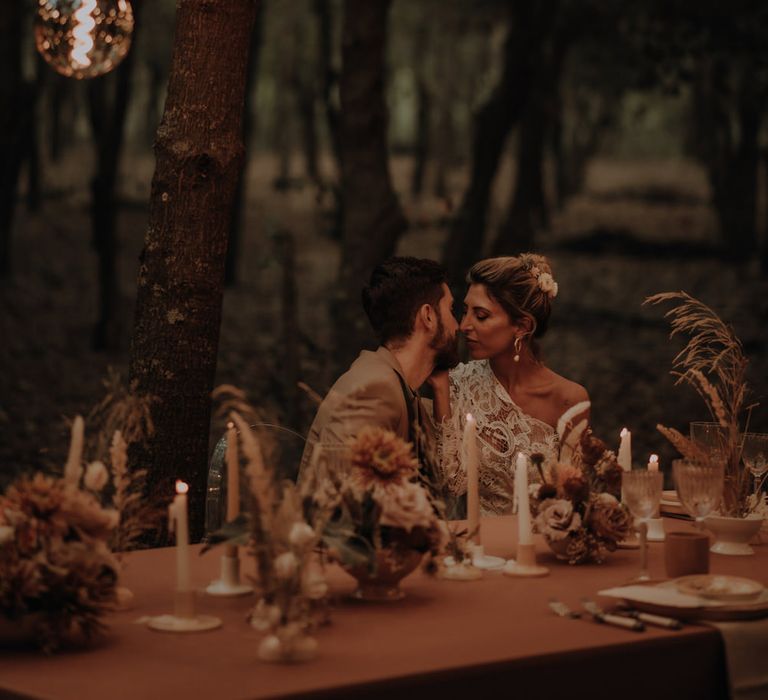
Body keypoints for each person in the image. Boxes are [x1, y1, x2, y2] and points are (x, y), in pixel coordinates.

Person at [430, 253, 589, 515]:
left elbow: (572, 501)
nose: (463, 325)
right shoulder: (459, 382)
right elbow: (452, 482)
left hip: (544, 543)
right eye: (464, 311)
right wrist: (439, 388)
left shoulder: (569, 399)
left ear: (522, 326)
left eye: (480, 315)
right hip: (482, 547)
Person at [298, 256, 460, 482]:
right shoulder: (376, 390)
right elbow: (345, 501)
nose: (457, 325)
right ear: (428, 316)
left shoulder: (398, 387)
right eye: (451, 310)